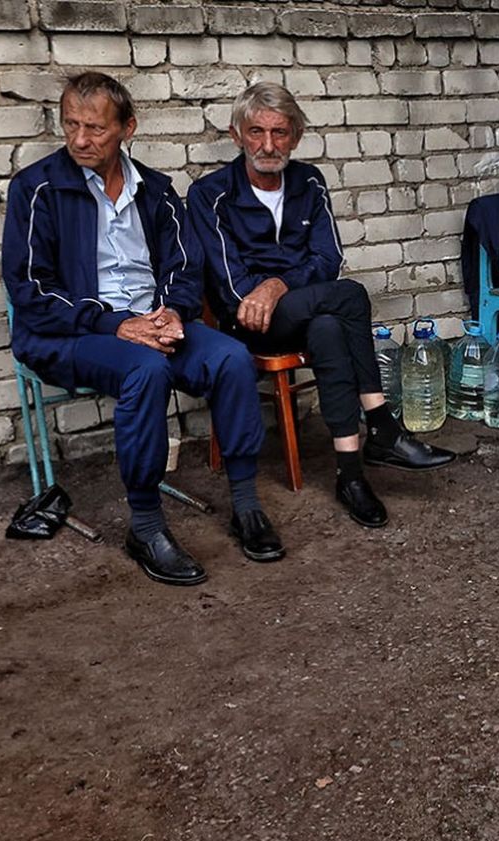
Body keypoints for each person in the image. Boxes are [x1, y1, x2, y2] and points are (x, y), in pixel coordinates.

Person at [1, 72, 280, 586]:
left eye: (95, 128)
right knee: (147, 370)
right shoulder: (36, 189)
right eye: (70, 125)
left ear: (127, 128)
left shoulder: (154, 190)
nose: (80, 140)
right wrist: (116, 324)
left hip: (150, 323)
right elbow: (30, 291)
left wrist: (173, 311)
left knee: (232, 359)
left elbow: (184, 265)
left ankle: (246, 505)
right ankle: (146, 526)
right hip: (70, 333)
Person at [188, 83, 454, 529]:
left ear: (296, 135)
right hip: (248, 324)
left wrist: (277, 285)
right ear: (237, 136)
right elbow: (234, 291)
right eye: (256, 132)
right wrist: (273, 289)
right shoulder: (210, 194)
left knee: (331, 326)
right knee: (350, 296)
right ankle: (383, 427)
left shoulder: (309, 181)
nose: (268, 145)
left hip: (304, 310)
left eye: (280, 132)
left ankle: (350, 476)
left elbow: (327, 259)